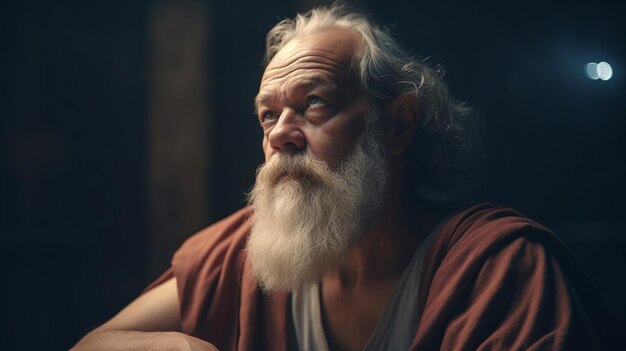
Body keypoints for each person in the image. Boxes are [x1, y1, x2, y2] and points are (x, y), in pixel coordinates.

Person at [72, 4, 624, 351]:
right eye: (268, 114)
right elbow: (93, 344)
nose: (280, 134)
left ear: (398, 124)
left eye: (314, 104)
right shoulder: (242, 254)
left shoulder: (498, 269)